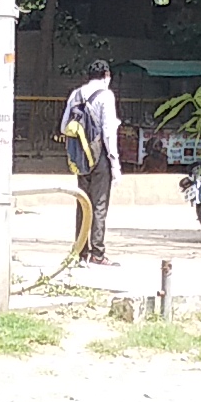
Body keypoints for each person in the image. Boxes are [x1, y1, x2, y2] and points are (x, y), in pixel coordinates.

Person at [57, 58, 118, 265]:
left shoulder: (75, 94)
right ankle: (98, 253)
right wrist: (114, 162)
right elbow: (109, 132)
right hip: (99, 156)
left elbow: (64, 126)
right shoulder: (106, 96)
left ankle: (80, 251)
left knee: (83, 203)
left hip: (80, 156)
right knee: (99, 204)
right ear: (106, 75)